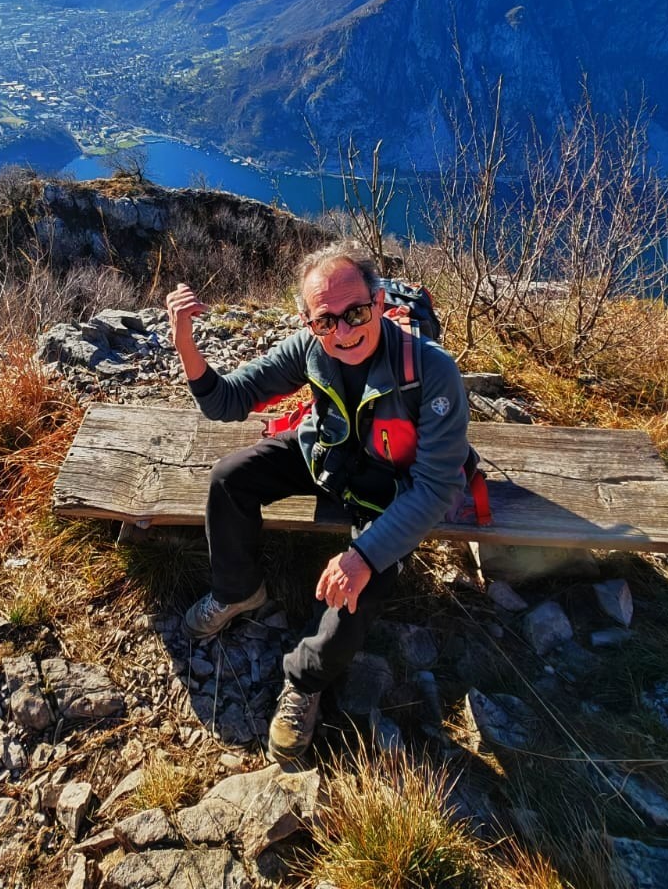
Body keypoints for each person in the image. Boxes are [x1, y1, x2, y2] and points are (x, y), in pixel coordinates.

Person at [164, 240, 471, 764]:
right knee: (230, 478)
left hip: (389, 491)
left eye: (355, 313)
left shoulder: (431, 371)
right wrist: (185, 341)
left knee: (356, 595)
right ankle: (239, 591)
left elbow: (437, 488)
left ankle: (305, 683)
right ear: (308, 322)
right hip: (330, 457)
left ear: (377, 302)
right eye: (326, 321)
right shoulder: (309, 348)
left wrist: (364, 556)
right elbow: (226, 402)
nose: (344, 332)